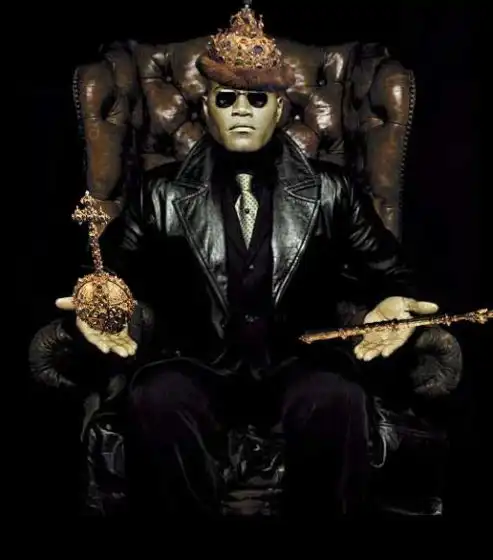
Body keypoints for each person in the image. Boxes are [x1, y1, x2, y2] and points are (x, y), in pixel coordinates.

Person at [55, 3, 441, 518]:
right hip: (196, 365)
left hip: (299, 363)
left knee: (339, 395)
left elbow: (391, 272)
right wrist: (97, 302)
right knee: (154, 395)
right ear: (207, 108)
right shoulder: (159, 193)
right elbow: (110, 273)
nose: (241, 110)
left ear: (278, 110)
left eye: (257, 99)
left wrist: (393, 300)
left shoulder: (333, 191)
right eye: (227, 98)